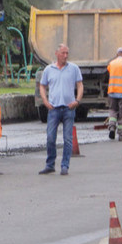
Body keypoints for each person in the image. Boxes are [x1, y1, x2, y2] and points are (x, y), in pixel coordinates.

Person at [38, 44, 84, 176]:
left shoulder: (73, 68)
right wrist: (45, 101)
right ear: (56, 54)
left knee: (68, 139)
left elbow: (80, 85)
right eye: (63, 53)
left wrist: (77, 100)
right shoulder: (49, 69)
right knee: (50, 138)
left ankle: (65, 165)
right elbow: (42, 86)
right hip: (53, 109)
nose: (65, 56)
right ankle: (50, 164)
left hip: (68, 108)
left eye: (67, 53)